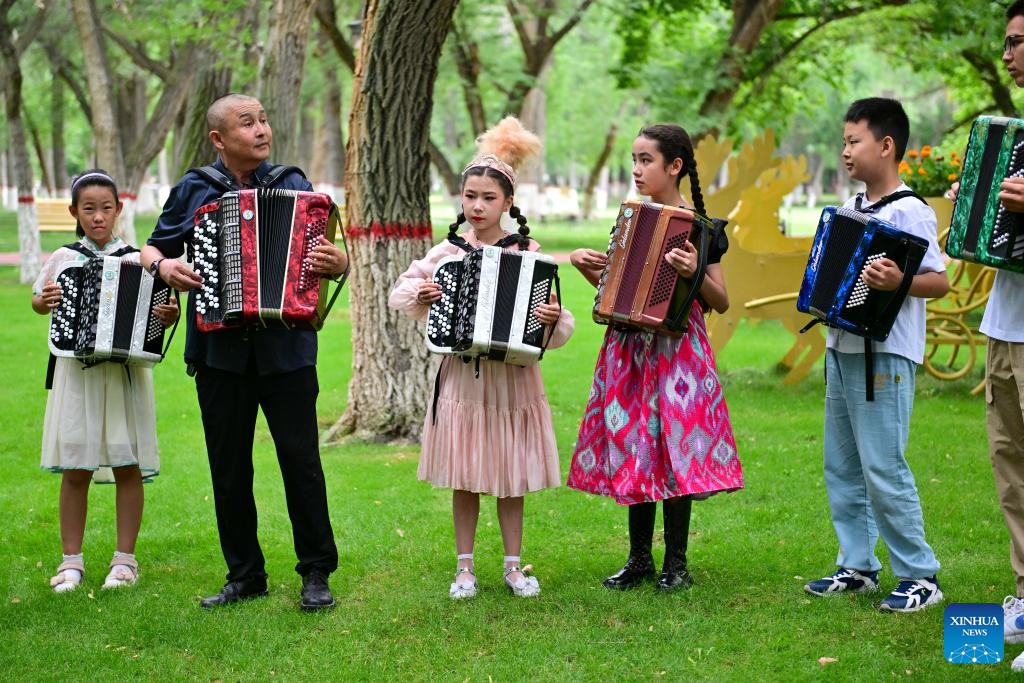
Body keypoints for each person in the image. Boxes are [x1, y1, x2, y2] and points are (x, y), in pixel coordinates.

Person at [140, 93, 347, 611]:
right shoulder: (194, 189)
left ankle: (316, 573)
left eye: (263, 120)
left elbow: (324, 261)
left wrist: (337, 262)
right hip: (219, 354)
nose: (261, 130)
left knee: (301, 464)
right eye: (247, 123)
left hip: (287, 351)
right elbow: (153, 247)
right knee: (228, 468)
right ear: (218, 139)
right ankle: (245, 574)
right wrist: (164, 269)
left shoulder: (293, 185)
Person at [389, 117, 573, 599]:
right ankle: (465, 568)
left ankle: (514, 566)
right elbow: (402, 291)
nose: (477, 206)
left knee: (511, 475)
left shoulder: (528, 253)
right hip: (464, 382)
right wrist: (427, 292)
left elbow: (556, 322)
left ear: (508, 204)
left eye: (488, 198)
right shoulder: (448, 251)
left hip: (513, 380)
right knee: (466, 473)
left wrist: (550, 316)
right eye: (470, 196)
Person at [566, 124, 743, 593]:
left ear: (675, 166)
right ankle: (639, 558)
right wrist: (592, 272)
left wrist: (694, 273)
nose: (637, 169)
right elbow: (619, 295)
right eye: (634, 160)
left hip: (678, 353)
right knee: (635, 446)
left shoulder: (702, 230)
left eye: (646, 160)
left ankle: (677, 563)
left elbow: (721, 300)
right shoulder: (630, 220)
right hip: (628, 351)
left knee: (675, 449)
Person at [803, 98, 949, 612]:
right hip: (842, 350)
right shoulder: (852, 209)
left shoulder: (910, 209)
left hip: (885, 357)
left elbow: (940, 280)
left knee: (883, 464)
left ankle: (920, 574)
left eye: (853, 141)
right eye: (843, 141)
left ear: (886, 146)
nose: (844, 151)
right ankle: (858, 565)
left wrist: (899, 280)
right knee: (841, 463)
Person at [33, 170, 179, 593]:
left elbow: (160, 312)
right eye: (89, 209)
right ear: (74, 212)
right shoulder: (64, 258)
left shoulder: (137, 260)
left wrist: (168, 316)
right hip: (76, 376)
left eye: (106, 208)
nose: (98, 217)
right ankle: (70, 561)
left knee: (127, 463)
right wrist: (43, 301)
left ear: (119, 209)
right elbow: (40, 299)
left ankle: (124, 560)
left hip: (123, 376)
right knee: (76, 466)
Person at [950, 0, 1024, 668]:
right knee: (1011, 467)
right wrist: (970, 198)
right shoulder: (1014, 134)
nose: (1007, 54)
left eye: (1017, 42)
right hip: (1006, 321)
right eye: (1005, 42)